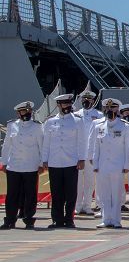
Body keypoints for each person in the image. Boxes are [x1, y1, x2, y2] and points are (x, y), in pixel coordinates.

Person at [43, 93, 85, 229]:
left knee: (71, 193)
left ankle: (69, 219)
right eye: (64, 103)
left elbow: (82, 142)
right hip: (54, 161)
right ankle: (57, 219)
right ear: (59, 105)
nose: (67, 106)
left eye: (69, 103)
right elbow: (46, 143)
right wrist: (44, 159)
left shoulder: (78, 120)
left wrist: (82, 158)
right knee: (56, 193)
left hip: (71, 162)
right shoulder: (50, 122)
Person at [90, 98, 129, 229]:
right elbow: (95, 146)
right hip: (103, 165)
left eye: (113, 108)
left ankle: (116, 220)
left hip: (117, 165)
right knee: (103, 194)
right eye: (108, 108)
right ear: (104, 109)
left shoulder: (124, 126)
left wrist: (127, 165)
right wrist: (95, 164)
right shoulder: (99, 126)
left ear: (118, 110)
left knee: (116, 194)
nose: (110, 111)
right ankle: (106, 218)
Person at [1, 101, 44, 230]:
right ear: (18, 113)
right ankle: (10, 220)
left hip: (30, 165)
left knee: (30, 195)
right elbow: (7, 145)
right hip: (14, 165)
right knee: (12, 195)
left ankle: (29, 220)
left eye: (28, 111)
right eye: (24, 111)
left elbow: (41, 146)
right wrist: (4, 162)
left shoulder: (37, 127)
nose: (27, 113)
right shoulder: (12, 125)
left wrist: (41, 163)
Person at [74, 89, 103, 215]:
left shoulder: (99, 115)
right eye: (84, 99)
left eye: (89, 99)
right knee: (78, 182)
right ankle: (77, 205)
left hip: (91, 154)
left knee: (90, 181)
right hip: (78, 154)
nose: (87, 101)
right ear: (81, 100)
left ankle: (87, 205)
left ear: (93, 100)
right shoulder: (75, 115)